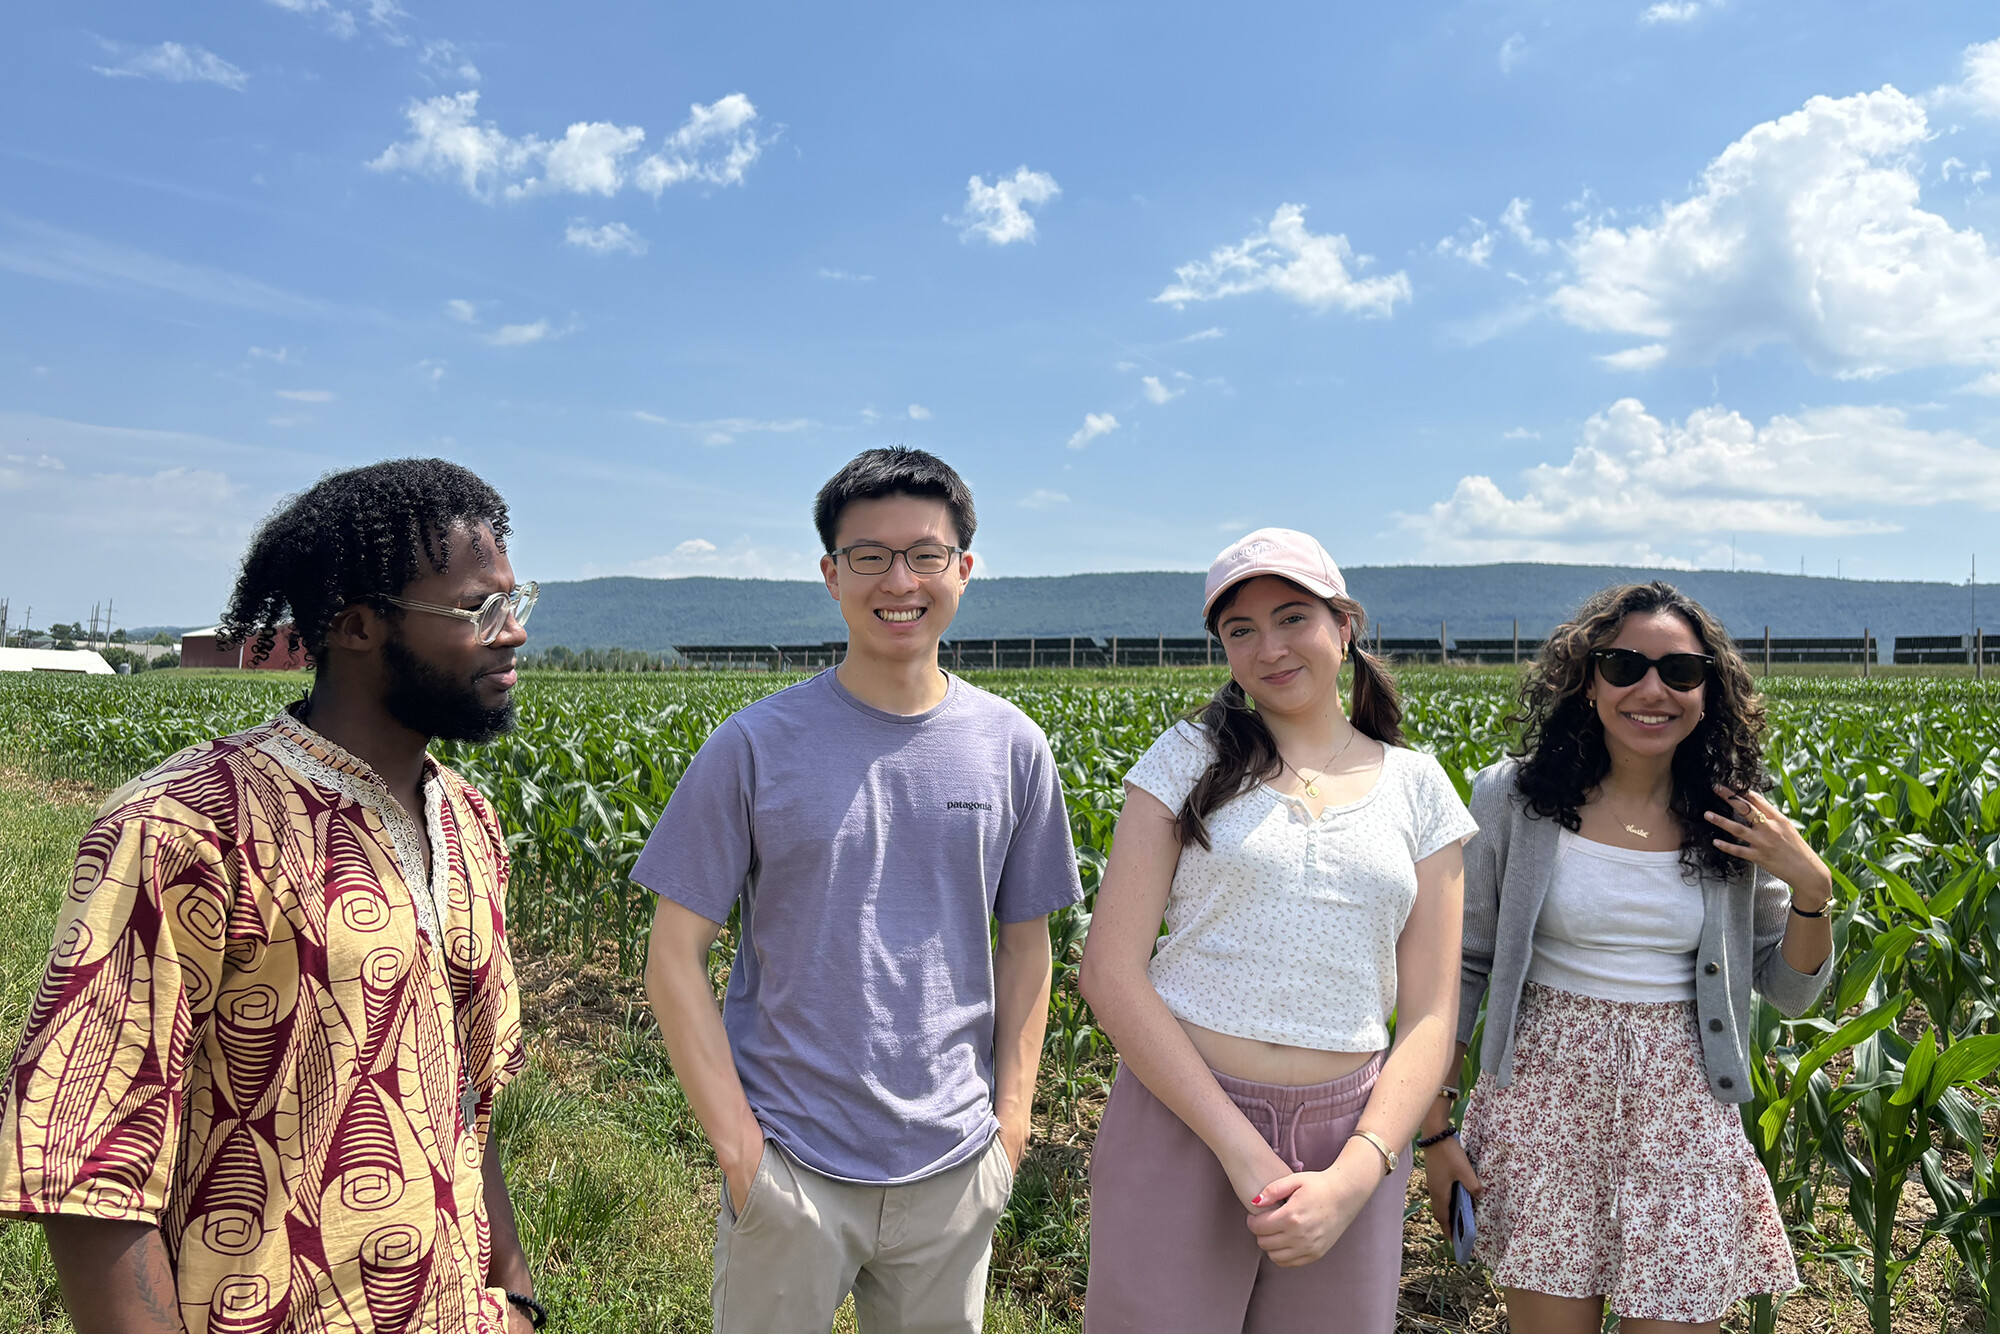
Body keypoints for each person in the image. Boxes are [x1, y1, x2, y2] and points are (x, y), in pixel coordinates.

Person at [0, 459, 544, 1333]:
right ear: (357, 627)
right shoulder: (186, 826)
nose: (512, 634)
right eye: (480, 609)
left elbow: (466, 1102)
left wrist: (517, 1298)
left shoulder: (468, 821)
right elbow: (88, 1168)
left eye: (517, 604)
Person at [637, 447, 1082, 1334]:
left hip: (956, 1164)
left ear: (963, 569)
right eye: (869, 557)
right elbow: (673, 954)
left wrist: (1013, 1125)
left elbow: (1027, 945)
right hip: (791, 1166)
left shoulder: (1013, 746)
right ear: (830, 575)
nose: (898, 581)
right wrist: (739, 1149)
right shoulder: (754, 745)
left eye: (924, 554)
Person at [1079, 528, 1476, 1333]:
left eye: (1293, 617)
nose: (1270, 648)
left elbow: (1432, 1015)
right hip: (1185, 1117)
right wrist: (1240, 1148)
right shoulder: (1185, 759)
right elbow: (1110, 973)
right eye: (1241, 630)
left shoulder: (1418, 786)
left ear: (1345, 625)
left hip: (1351, 1141)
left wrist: (1359, 1172)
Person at [1421, 581, 1834, 1334]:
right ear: (1587, 680)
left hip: (1685, 1114)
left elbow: (1791, 992)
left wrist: (1812, 887)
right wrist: (1436, 1130)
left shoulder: (1739, 817)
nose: (1653, 689)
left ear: (1709, 689)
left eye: (1680, 672)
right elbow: (1464, 966)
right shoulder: (1512, 798)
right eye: (1624, 667)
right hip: (1545, 1110)